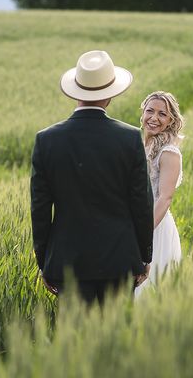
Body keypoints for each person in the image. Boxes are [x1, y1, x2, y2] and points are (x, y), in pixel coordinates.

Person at [30, 50, 154, 306]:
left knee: (74, 343)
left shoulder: (47, 140)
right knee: (114, 340)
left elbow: (40, 209)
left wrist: (44, 262)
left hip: (67, 262)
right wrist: (144, 256)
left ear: (76, 92)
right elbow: (141, 203)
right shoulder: (129, 138)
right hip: (120, 259)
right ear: (109, 95)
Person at [134, 91, 184, 298]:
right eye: (150, 111)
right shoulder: (141, 146)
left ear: (171, 120)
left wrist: (142, 234)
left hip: (155, 229)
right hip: (134, 224)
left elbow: (165, 198)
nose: (154, 118)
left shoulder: (169, 153)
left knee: (150, 294)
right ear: (142, 113)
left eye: (162, 114)